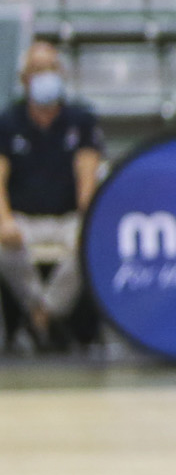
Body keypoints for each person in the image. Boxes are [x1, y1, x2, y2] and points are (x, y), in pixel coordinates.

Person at [0, 41, 102, 352]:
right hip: (23, 218)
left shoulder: (80, 119)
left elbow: (87, 175)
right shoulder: (8, 121)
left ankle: (41, 317)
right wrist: (4, 220)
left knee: (90, 244)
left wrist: (88, 220)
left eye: (52, 69)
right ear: (24, 78)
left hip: (67, 217)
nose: (46, 76)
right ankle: (43, 315)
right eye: (38, 70)